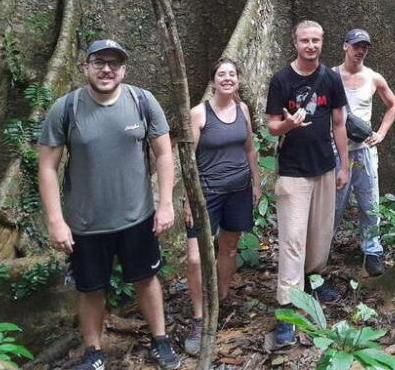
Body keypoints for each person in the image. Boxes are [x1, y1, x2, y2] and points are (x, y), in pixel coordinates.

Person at [38, 39, 180, 370]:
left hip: (138, 217)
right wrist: (56, 220)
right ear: (85, 67)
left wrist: (166, 204)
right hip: (86, 223)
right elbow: (46, 167)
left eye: (114, 63)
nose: (106, 69)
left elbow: (164, 154)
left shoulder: (142, 101)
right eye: (99, 62)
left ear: (124, 70)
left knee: (146, 278)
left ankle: (160, 340)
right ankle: (94, 353)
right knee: (90, 289)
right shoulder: (66, 108)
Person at [266, 20, 350, 346]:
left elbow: (339, 123)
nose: (311, 46)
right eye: (305, 41)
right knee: (292, 240)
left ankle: (313, 281)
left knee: (320, 235)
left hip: (325, 168)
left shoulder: (330, 78)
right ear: (295, 43)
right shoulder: (281, 79)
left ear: (322, 42)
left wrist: (344, 165)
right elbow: (272, 126)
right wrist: (287, 124)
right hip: (293, 172)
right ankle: (287, 308)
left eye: (316, 40)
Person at [182, 58, 262, 355]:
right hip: (206, 194)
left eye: (232, 74)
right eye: (221, 74)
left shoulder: (243, 110)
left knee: (228, 248)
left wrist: (256, 183)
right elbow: (188, 160)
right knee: (194, 258)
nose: (227, 78)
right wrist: (189, 199)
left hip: (239, 191)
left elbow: (250, 149)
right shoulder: (199, 113)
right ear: (213, 80)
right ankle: (199, 318)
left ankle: (221, 300)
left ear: (238, 80)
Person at [333, 29, 395, 276]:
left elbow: (393, 105)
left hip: (364, 151)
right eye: (356, 46)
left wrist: (381, 133)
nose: (360, 51)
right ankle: (322, 250)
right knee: (333, 205)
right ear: (345, 46)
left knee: (369, 202)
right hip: (335, 151)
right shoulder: (330, 76)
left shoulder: (373, 78)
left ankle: (372, 251)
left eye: (364, 47)